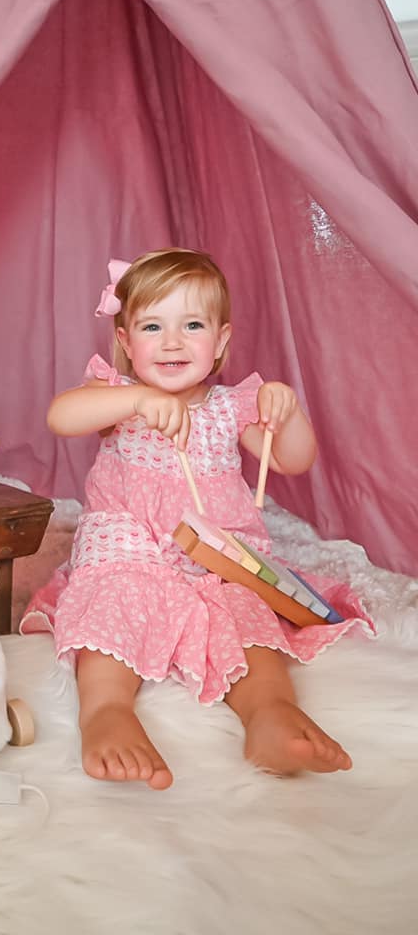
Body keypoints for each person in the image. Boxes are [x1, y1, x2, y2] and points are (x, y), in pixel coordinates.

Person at [21, 248, 373, 790]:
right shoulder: (115, 394)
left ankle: (269, 713)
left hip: (215, 551)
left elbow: (293, 458)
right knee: (112, 607)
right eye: (152, 326)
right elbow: (60, 416)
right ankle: (107, 710)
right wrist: (136, 400)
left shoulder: (233, 405)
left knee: (248, 619)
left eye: (191, 325)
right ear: (124, 342)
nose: (171, 342)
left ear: (221, 341)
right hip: (129, 542)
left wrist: (286, 409)